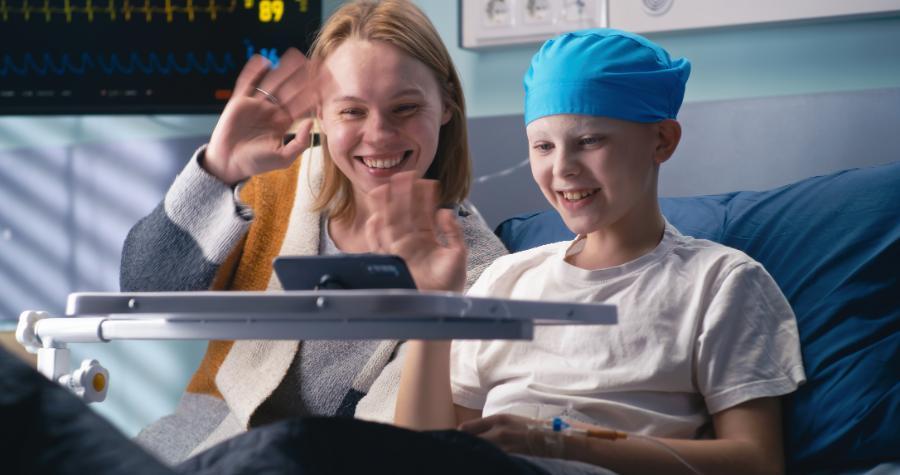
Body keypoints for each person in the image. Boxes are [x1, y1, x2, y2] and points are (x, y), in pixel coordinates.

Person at [366, 29, 806, 474]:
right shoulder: (508, 277)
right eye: (543, 146)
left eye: (590, 141)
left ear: (662, 141)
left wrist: (559, 442)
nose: (562, 168)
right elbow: (424, 454)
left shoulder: (720, 282)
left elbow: (757, 462)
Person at [120, 0, 507, 465]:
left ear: (445, 105)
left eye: (405, 108)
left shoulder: (474, 265)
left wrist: (433, 304)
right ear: (320, 112)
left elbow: (406, 444)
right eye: (352, 111)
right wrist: (217, 170)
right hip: (189, 448)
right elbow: (144, 292)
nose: (379, 134)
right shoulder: (272, 188)